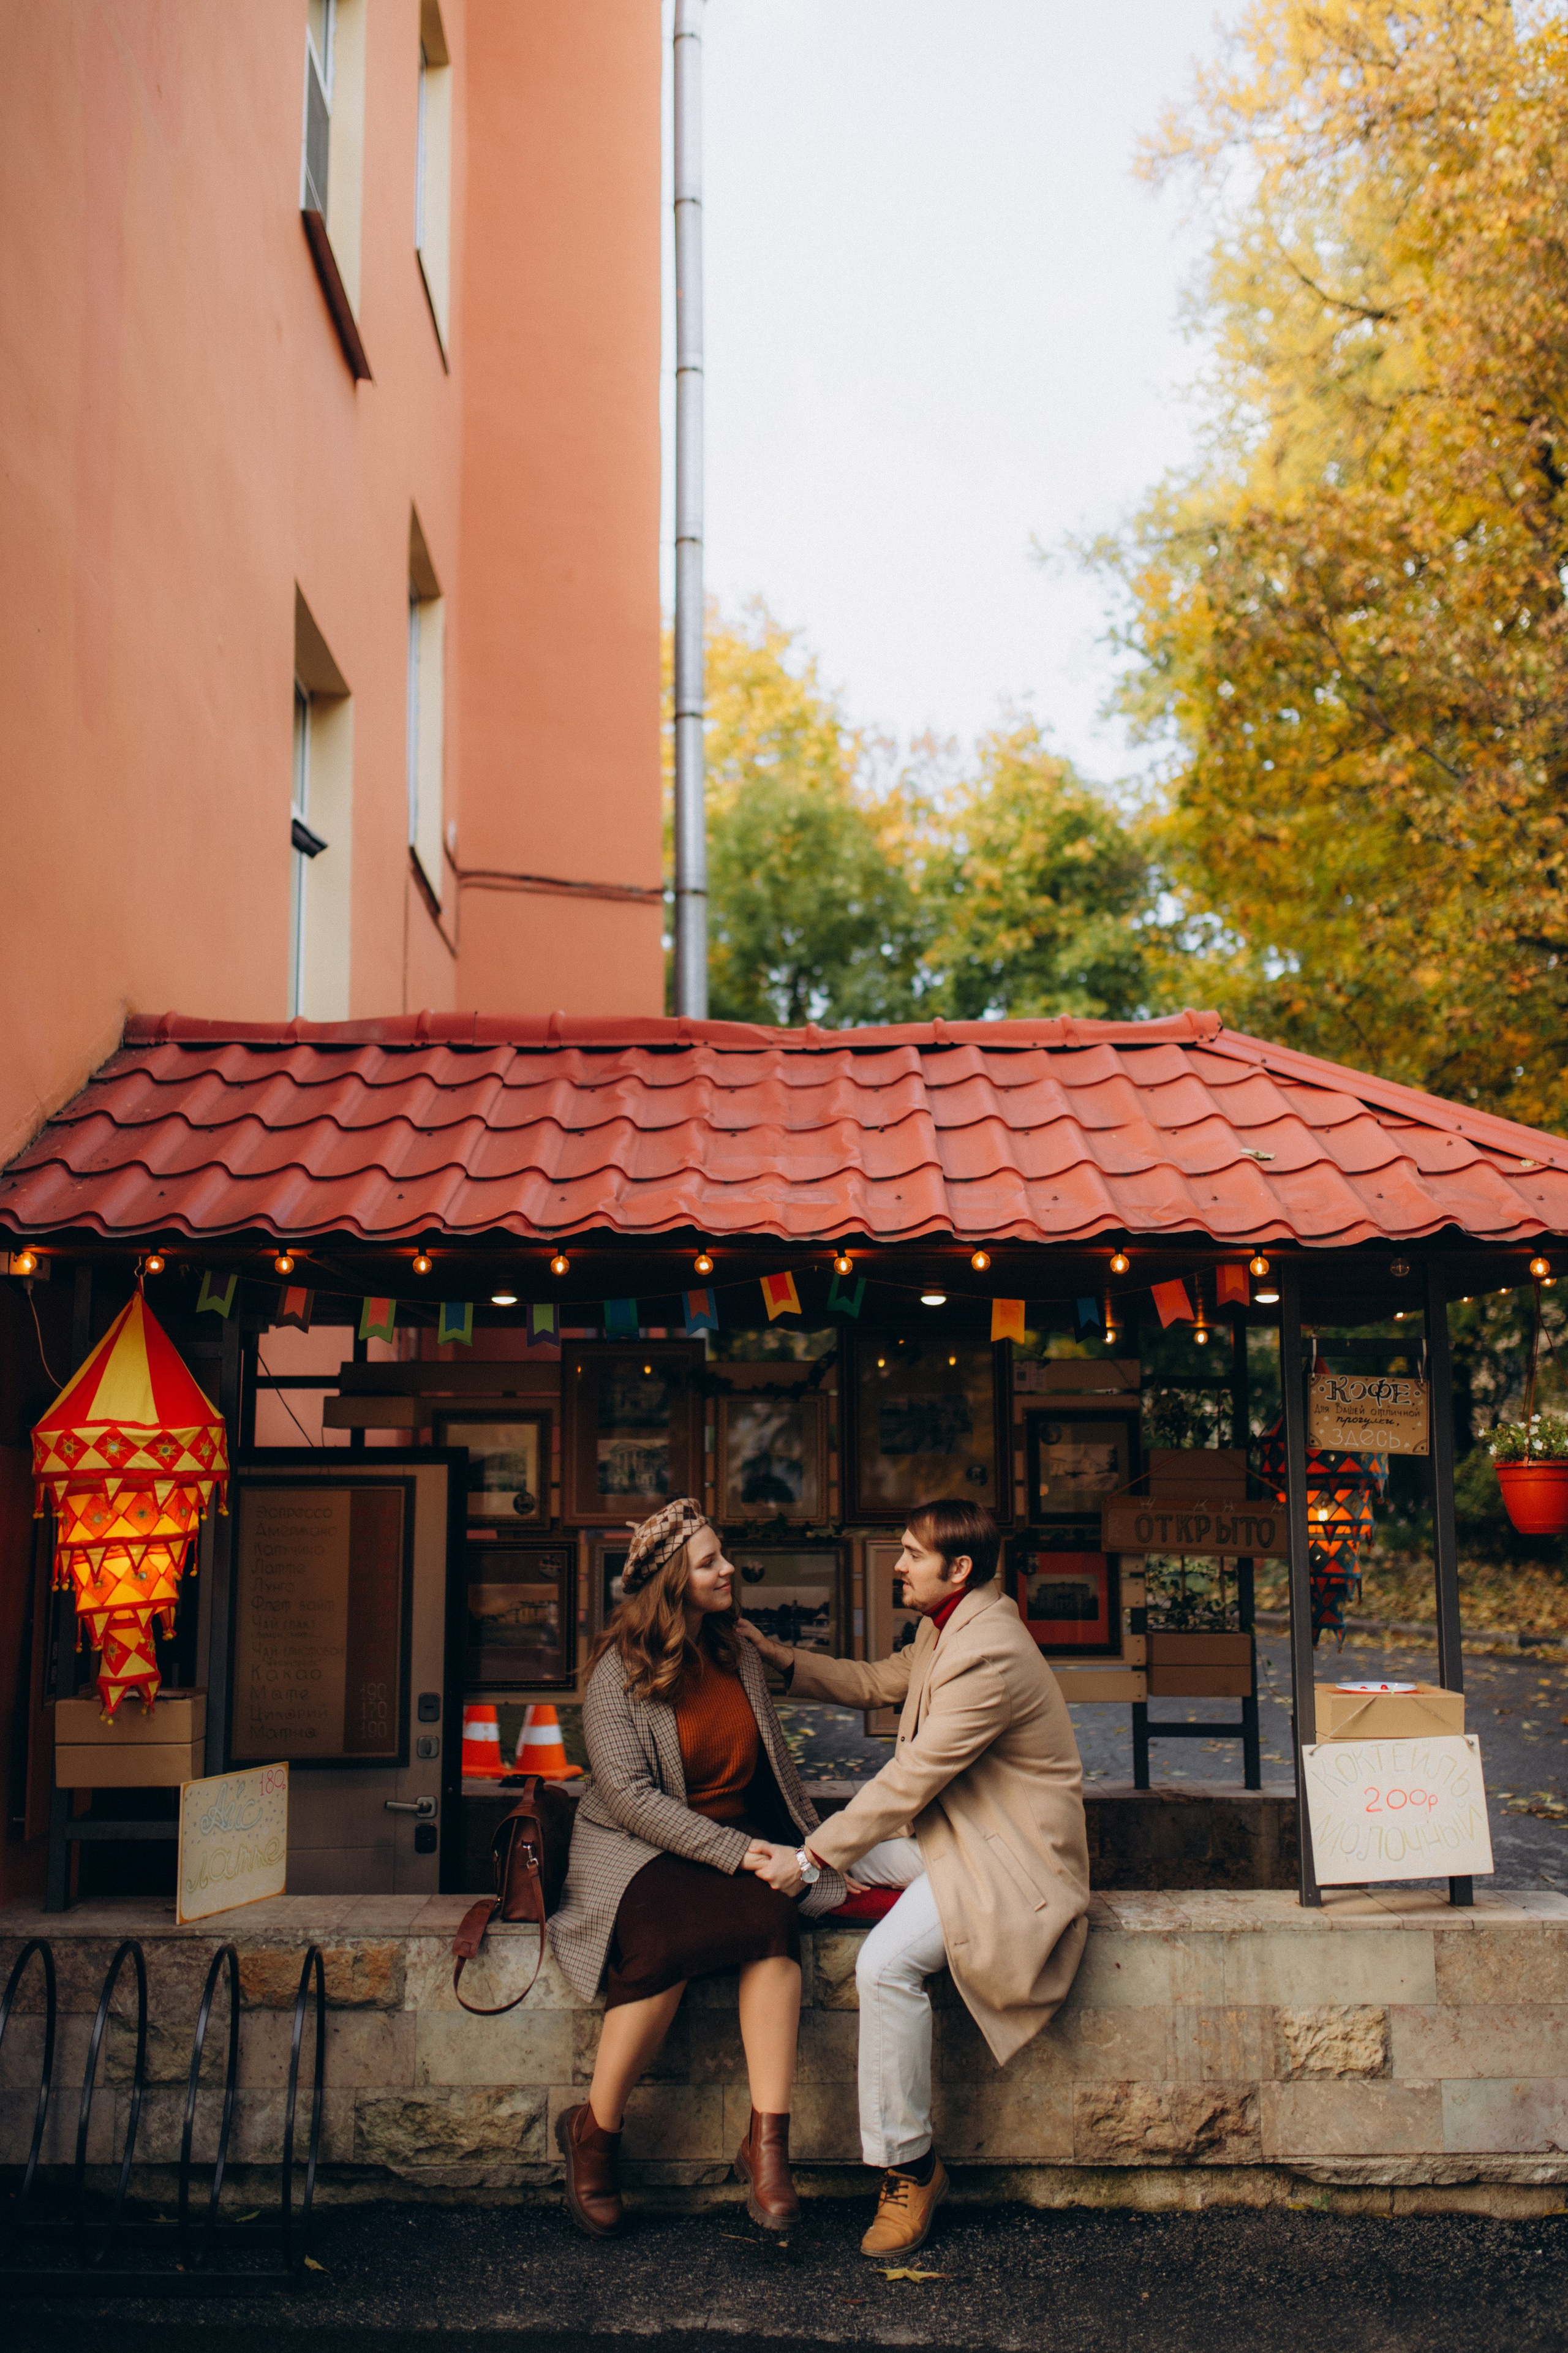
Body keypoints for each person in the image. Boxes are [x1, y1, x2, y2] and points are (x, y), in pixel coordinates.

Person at [739, 1500, 1089, 2257]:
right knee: (816, 1859)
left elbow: (911, 1777)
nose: (896, 1565)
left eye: (908, 1554)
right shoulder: (946, 1623)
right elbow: (876, 1680)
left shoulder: (987, 1649)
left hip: (1006, 1860)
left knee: (884, 1964)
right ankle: (833, 1893)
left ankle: (910, 2168)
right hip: (958, 1840)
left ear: (956, 1567)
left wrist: (809, 1861)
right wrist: (774, 1656)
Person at [550, 1497, 847, 2237]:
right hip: (637, 1845)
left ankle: (768, 2146)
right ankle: (595, 2132)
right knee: (668, 1944)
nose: (728, 1569)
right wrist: (737, 1852)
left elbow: (772, 1766)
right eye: (709, 1560)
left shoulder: (737, 1651)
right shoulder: (615, 1670)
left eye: (723, 1555)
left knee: (772, 1920)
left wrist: (808, 1849)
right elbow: (627, 1796)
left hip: (728, 1836)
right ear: (671, 1580)